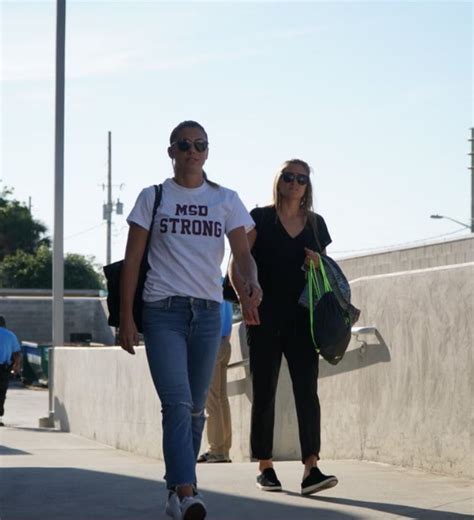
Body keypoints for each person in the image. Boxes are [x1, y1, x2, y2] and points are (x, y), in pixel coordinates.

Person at [119, 121, 261, 520]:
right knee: (178, 404)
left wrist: (250, 283)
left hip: (207, 313)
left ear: (207, 152)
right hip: (162, 311)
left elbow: (242, 253)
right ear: (171, 151)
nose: (192, 151)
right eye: (184, 144)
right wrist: (126, 318)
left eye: (200, 145)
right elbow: (132, 261)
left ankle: (175, 490)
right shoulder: (153, 197)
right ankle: (187, 491)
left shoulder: (225, 199)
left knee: (197, 407)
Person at [230, 159, 338, 496]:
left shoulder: (316, 225)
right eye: (288, 176)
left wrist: (318, 261)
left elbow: (327, 270)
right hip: (262, 317)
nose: (294, 183)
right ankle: (265, 466)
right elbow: (236, 260)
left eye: (301, 178)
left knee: (307, 391)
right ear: (279, 181)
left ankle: (312, 467)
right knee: (264, 390)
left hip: (303, 320)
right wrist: (244, 299)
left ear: (307, 185)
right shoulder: (260, 217)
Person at [197, 298, 233, 463]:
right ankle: (224, 448)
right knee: (221, 398)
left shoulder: (210, 286)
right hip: (225, 342)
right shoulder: (222, 284)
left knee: (211, 399)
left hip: (213, 343)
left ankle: (215, 449)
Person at [0, 315, 22, 427]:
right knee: (1, 392)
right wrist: (16, 367)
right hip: (3, 369)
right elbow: (17, 354)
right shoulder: (10, 335)